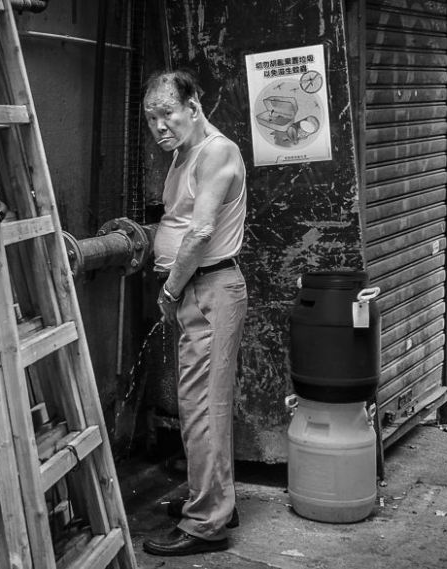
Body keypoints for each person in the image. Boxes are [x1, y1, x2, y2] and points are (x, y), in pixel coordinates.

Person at [141, 70, 248, 556]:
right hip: (197, 291)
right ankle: (217, 500)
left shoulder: (217, 152)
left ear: (193, 106)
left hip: (207, 289)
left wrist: (169, 289)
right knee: (204, 405)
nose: (159, 126)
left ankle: (207, 524)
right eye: (151, 118)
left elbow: (201, 232)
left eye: (167, 113)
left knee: (202, 407)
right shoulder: (185, 154)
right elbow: (179, 220)